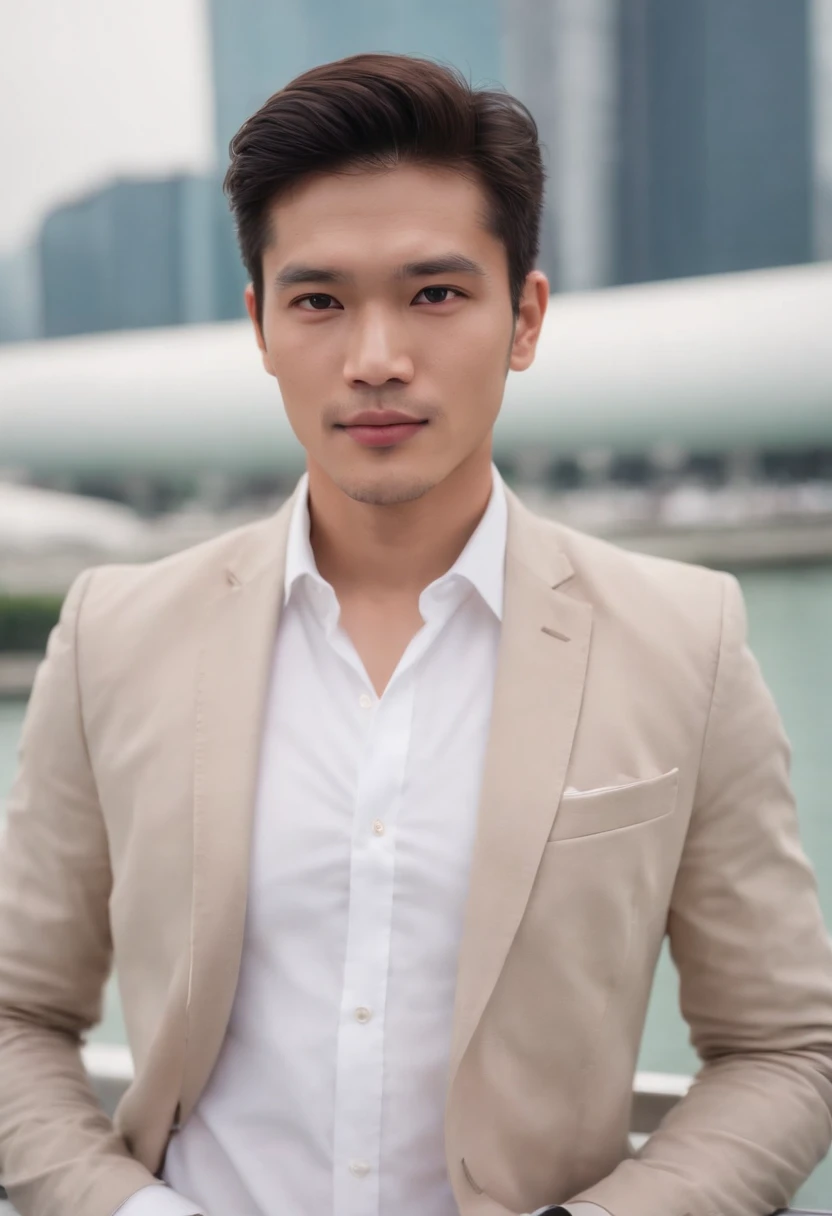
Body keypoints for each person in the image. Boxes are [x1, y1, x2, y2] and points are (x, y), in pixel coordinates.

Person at [0, 51, 831, 1216]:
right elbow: (17, 1015)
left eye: (435, 294)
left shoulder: (682, 639)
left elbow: (784, 1043)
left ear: (524, 316)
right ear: (260, 324)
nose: (375, 357)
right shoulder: (116, 632)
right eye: (319, 299)